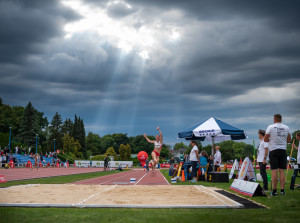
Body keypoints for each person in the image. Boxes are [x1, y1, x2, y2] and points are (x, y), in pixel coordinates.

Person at [264, 114, 291, 196]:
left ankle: (275, 191)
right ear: (281, 119)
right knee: (282, 171)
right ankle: (282, 190)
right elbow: (289, 140)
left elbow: (265, 139)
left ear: (274, 119)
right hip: (283, 150)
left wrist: (272, 140)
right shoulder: (286, 127)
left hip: (274, 150)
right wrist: (281, 141)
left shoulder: (271, 127)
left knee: (274, 170)